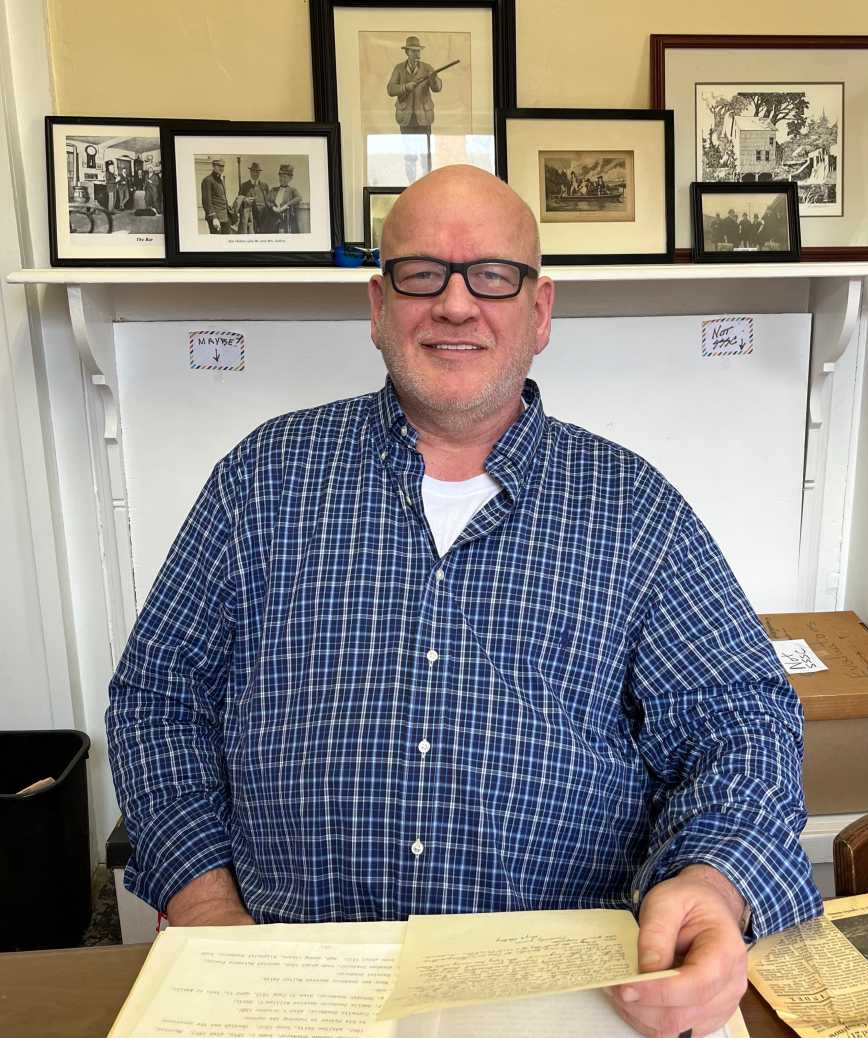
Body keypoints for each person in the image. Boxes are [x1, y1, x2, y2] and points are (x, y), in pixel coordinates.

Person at [107, 165, 821, 1038]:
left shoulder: (635, 511)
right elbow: (156, 697)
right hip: (288, 975)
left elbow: (740, 721)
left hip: (563, 986)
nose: (454, 304)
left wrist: (713, 881)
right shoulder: (263, 481)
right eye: (421, 274)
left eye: (492, 274)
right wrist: (205, 903)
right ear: (378, 307)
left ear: (541, 310)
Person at [267, 164, 302, 233]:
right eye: (281, 176)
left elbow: (299, 198)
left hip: (286, 222)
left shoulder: (292, 190)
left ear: (290, 179)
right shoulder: (273, 190)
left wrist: (286, 206)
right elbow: (267, 200)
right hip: (273, 222)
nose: (282, 179)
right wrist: (273, 207)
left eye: (285, 177)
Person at [236, 161, 270, 234]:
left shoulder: (265, 186)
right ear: (250, 172)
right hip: (250, 219)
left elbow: (268, 201)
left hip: (263, 219)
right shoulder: (244, 186)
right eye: (253, 171)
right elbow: (238, 203)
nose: (255, 174)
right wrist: (245, 200)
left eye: (257, 172)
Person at [200, 158, 232, 234]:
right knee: (217, 242)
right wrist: (214, 218)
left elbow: (223, 199)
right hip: (216, 218)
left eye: (223, 166)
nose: (221, 168)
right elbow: (206, 201)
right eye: (219, 166)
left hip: (225, 217)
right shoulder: (208, 180)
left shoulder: (221, 180)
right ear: (213, 166)